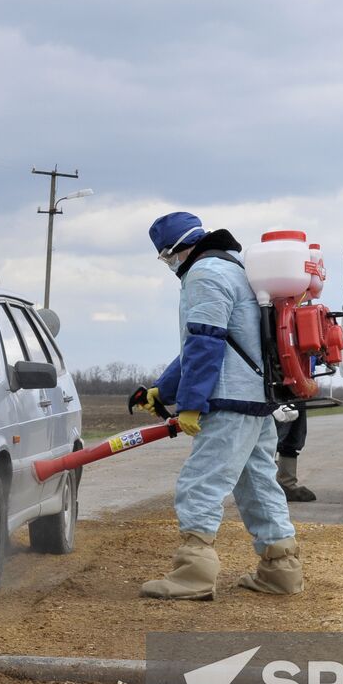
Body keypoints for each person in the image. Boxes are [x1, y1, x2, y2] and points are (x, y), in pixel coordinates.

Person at [136, 211, 304, 600]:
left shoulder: (204, 275)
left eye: (166, 258)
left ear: (175, 250)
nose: (170, 266)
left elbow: (205, 342)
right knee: (258, 484)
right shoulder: (236, 268)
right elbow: (221, 341)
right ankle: (281, 570)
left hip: (229, 401)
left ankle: (192, 576)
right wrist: (164, 390)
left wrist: (191, 404)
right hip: (257, 399)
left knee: (200, 484)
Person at [276, 401, 316, 501]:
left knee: (294, 434)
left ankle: (287, 483)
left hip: (293, 390)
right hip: (272, 391)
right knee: (273, 435)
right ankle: (264, 484)